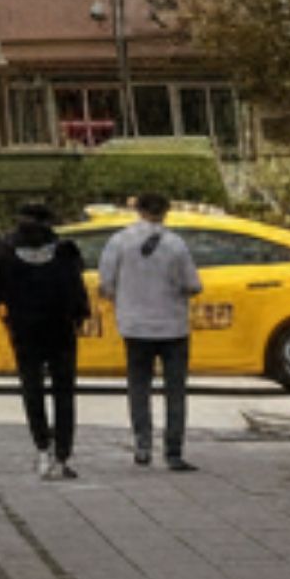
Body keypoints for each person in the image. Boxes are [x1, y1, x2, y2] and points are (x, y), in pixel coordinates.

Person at [0, 201, 96, 480]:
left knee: (32, 388)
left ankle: (42, 447)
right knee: (64, 391)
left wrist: (11, 318)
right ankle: (62, 453)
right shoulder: (63, 250)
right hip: (60, 328)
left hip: (25, 329)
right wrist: (79, 317)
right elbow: (76, 290)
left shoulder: (5, 250)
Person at [103, 192, 202, 472]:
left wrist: (127, 298)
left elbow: (106, 284)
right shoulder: (176, 244)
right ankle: (173, 451)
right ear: (166, 211)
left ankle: (143, 445)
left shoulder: (119, 241)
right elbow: (193, 284)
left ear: (138, 210)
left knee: (138, 386)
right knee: (175, 390)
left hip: (135, 326)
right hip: (173, 327)